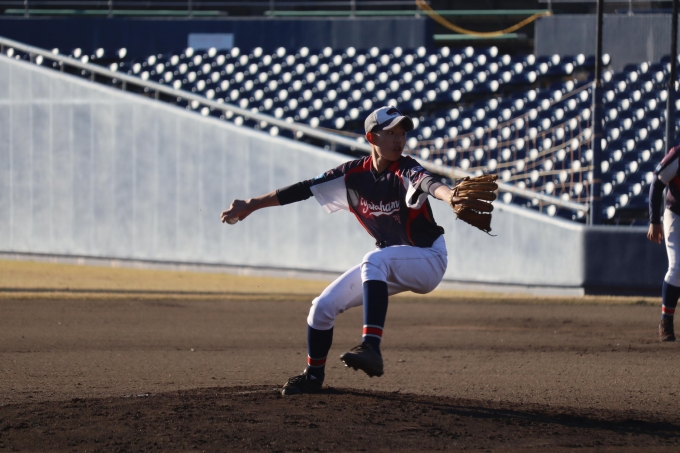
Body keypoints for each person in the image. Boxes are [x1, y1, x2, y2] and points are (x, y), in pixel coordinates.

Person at [221, 106, 467, 395]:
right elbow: (303, 189)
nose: (399, 140)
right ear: (371, 137)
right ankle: (313, 376)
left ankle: (371, 347)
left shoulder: (405, 168)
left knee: (373, 261)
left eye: (402, 133)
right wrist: (252, 204)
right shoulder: (352, 175)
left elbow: (429, 183)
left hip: (428, 259)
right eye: (391, 133)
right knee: (322, 308)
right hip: (391, 263)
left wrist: (451, 196)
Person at [647, 137, 680, 342]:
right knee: (677, 268)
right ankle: (666, 321)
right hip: (676, 214)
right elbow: (657, 183)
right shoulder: (677, 155)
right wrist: (654, 221)